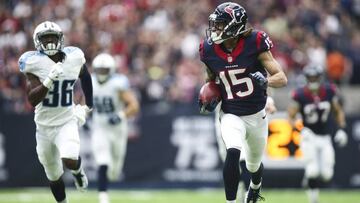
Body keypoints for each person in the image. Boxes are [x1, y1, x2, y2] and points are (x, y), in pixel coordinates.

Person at [199, 2, 287, 203]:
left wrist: (266, 82)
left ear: (234, 25)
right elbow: (210, 79)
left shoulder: (255, 42)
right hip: (230, 112)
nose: (215, 29)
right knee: (232, 150)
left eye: (220, 24)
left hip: (256, 114)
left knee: (253, 166)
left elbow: (281, 77)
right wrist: (208, 94)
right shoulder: (209, 50)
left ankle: (255, 187)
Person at [18, 21, 93, 203]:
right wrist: (49, 79)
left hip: (66, 121)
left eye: (53, 37)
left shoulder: (74, 57)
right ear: (38, 42)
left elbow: (85, 75)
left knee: (69, 158)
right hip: (43, 127)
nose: (50, 41)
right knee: (53, 174)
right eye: (46, 38)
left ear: (61, 39)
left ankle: (77, 171)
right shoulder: (33, 62)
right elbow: (32, 99)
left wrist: (88, 105)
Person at [288, 64, 348, 203]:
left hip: (325, 137)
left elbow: (337, 110)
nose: (313, 80)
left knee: (327, 175)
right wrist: (301, 130)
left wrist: (341, 129)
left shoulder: (329, 91)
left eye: (315, 77)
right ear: (306, 78)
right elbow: (290, 116)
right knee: (313, 170)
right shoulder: (300, 94)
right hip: (309, 136)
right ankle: (313, 199)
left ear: (321, 78)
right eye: (310, 77)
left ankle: (308, 178)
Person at [91, 53, 140, 203]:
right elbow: (83, 101)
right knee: (102, 159)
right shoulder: (90, 81)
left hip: (117, 128)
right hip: (100, 126)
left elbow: (134, 106)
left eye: (104, 70)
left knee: (114, 170)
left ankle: (109, 181)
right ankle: (103, 196)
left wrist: (121, 115)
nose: (101, 73)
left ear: (111, 70)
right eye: (99, 70)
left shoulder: (118, 83)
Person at [214, 95, 276, 203]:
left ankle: (250, 195)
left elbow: (258, 85)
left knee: (244, 161)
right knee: (233, 167)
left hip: (245, 119)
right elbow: (212, 86)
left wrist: (268, 101)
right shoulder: (221, 78)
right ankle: (243, 195)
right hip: (225, 120)